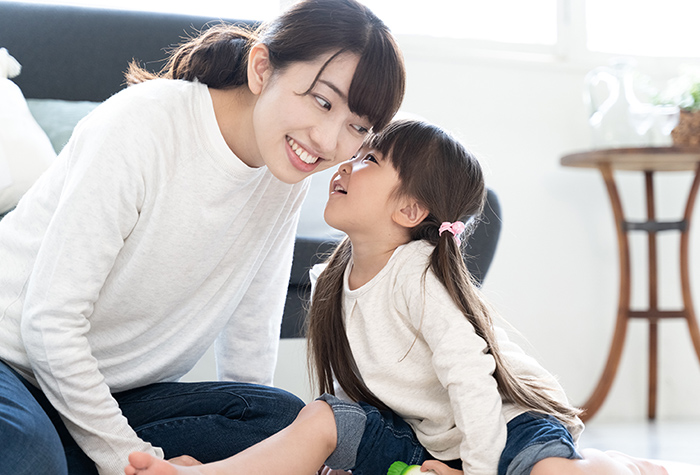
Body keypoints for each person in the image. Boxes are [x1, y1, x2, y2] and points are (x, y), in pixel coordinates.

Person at [124, 119, 677, 475]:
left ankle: (623, 466)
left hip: (502, 427)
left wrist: (476, 473)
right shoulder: (331, 279)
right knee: (320, 418)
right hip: (429, 441)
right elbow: (354, 387)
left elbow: (471, 381)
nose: (345, 164)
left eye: (369, 160)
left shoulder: (417, 277)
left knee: (554, 474)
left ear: (409, 212)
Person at [0, 0, 405, 473]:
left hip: (115, 395)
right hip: (14, 364)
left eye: (357, 126)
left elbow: (251, 327)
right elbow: (49, 324)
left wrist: (253, 453)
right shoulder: (143, 125)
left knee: (282, 422)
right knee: (29, 451)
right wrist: (133, 457)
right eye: (321, 100)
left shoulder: (285, 170)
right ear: (261, 68)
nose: (328, 141)